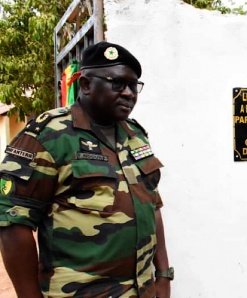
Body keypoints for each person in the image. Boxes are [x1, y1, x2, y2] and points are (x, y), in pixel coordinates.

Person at [0, 42, 172, 297]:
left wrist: (163, 276)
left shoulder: (135, 135)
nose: (128, 93)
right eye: (117, 83)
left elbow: (152, 207)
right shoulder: (48, 135)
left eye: (133, 85)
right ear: (86, 84)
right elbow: (13, 223)